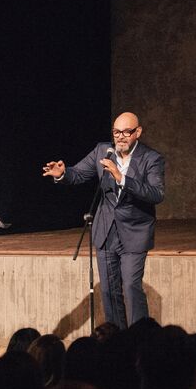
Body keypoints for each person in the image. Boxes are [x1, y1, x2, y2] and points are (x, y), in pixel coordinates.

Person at [43, 112, 165, 329]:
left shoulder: (151, 158)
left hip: (134, 232)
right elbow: (78, 173)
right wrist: (62, 174)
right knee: (109, 289)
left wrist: (122, 178)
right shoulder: (103, 151)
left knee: (130, 286)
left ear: (138, 132)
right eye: (116, 132)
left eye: (126, 132)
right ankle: (116, 340)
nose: (120, 137)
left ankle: (140, 339)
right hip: (106, 230)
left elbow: (156, 194)